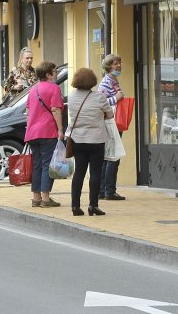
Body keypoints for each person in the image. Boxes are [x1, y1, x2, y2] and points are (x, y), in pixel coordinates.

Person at [68, 68, 114, 216]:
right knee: (95, 173)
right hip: (96, 140)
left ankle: (75, 206)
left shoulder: (71, 97)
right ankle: (93, 206)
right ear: (92, 81)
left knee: (79, 173)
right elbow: (110, 114)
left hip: (78, 140)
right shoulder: (99, 97)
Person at [25, 61, 64, 208]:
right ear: (48, 74)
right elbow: (55, 110)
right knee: (48, 165)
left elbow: (28, 113)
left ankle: (36, 198)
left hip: (32, 132)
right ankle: (46, 199)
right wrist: (60, 129)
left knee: (37, 165)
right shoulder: (54, 88)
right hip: (48, 131)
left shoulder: (33, 89)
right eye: (54, 71)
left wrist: (28, 130)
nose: (56, 73)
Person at [97, 54, 126, 201]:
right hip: (110, 123)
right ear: (109, 66)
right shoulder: (105, 83)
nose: (119, 65)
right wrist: (117, 98)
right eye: (115, 63)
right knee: (112, 156)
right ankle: (109, 190)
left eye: (120, 62)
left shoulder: (114, 81)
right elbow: (100, 103)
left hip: (115, 122)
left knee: (110, 155)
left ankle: (103, 190)